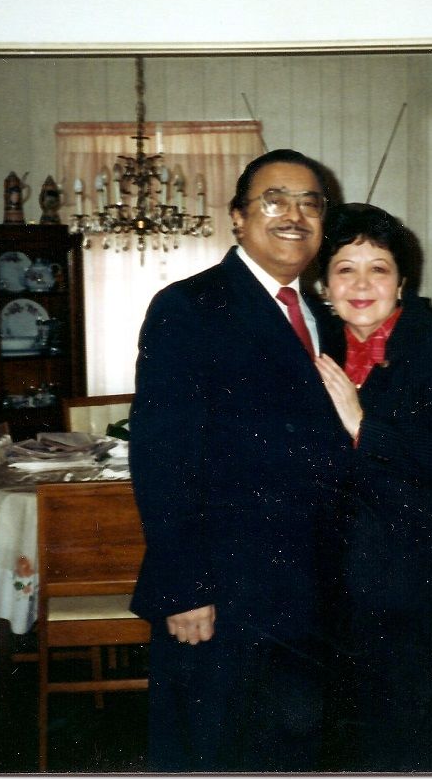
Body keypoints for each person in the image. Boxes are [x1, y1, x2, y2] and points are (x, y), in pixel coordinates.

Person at [128, 149, 352, 771]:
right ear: (237, 218)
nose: (295, 215)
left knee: (294, 749)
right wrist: (184, 586)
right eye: (275, 199)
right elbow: (161, 456)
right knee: (214, 751)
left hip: (311, 592)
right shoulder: (190, 308)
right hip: (222, 593)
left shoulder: (322, 318)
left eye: (311, 203)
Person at [312, 202, 432, 771]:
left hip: (426, 583)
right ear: (324, 283)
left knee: (419, 741)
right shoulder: (312, 351)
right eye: (346, 268)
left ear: (402, 282)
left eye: (379, 268)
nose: (362, 284)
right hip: (339, 583)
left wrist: (361, 422)